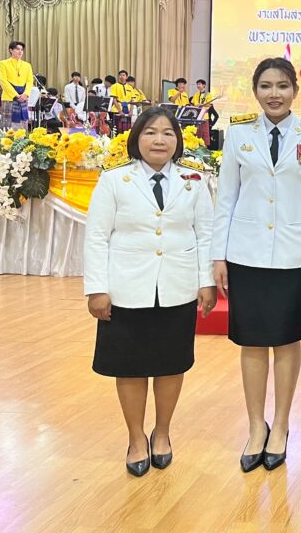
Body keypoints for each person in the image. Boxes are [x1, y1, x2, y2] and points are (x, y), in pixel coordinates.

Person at [212, 57, 301, 473]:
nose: (274, 94)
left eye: (282, 85)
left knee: (285, 340)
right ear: (255, 90)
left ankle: (280, 425)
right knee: (251, 341)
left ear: (295, 90)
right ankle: (254, 427)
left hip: (295, 255)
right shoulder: (239, 132)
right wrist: (218, 255)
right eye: (266, 86)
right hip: (246, 254)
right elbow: (226, 197)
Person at [83, 107, 216, 476]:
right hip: (126, 289)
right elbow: (96, 237)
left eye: (168, 133)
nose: (160, 140)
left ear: (178, 141)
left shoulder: (194, 180)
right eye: (151, 132)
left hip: (177, 287)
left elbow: (205, 235)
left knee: (171, 364)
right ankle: (136, 437)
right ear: (136, 138)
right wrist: (96, 289)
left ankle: (162, 433)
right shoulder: (114, 180)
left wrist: (205, 281)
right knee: (129, 366)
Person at [0, 40, 34, 130]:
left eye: (22, 50)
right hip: (9, 98)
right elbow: (3, 81)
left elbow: (30, 81)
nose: (20, 51)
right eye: (17, 49)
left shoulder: (27, 65)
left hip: (23, 97)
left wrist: (25, 94)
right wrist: (16, 95)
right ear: (11, 50)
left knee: (22, 124)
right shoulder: (3, 63)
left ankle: (22, 139)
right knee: (7, 125)